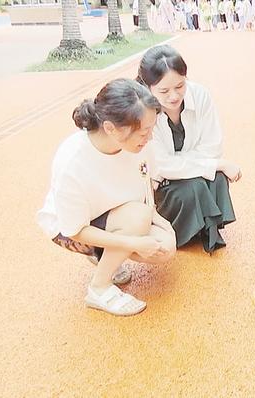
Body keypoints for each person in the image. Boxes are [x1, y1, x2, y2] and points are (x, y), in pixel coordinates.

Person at [37, 79, 177, 317]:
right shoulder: (72, 161)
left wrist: (161, 223)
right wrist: (133, 243)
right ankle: (99, 288)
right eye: (144, 131)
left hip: (118, 214)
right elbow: (74, 230)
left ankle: (106, 254)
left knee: (165, 248)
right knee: (137, 220)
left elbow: (147, 185)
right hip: (73, 227)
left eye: (151, 129)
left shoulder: (141, 145)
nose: (150, 138)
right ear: (111, 128)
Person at [137, 45, 241, 254]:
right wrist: (214, 165)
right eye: (163, 91)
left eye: (180, 86)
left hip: (179, 172)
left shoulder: (200, 95)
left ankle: (203, 227)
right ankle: (182, 231)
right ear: (148, 88)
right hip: (164, 183)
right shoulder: (143, 110)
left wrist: (187, 164)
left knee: (216, 178)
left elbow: (212, 146)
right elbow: (161, 165)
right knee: (196, 184)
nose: (174, 96)